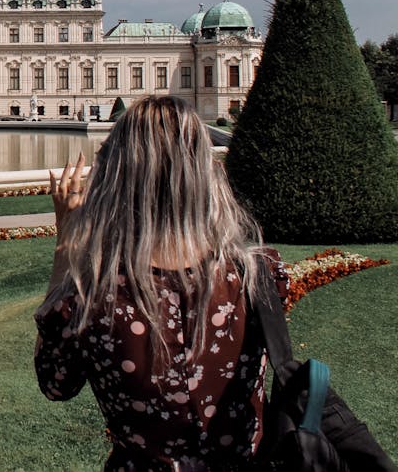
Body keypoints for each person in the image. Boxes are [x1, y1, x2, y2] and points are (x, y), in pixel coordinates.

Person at [35, 95, 286, 471]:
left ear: (116, 178)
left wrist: (67, 244)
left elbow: (55, 382)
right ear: (205, 172)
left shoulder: (96, 297)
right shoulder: (256, 276)